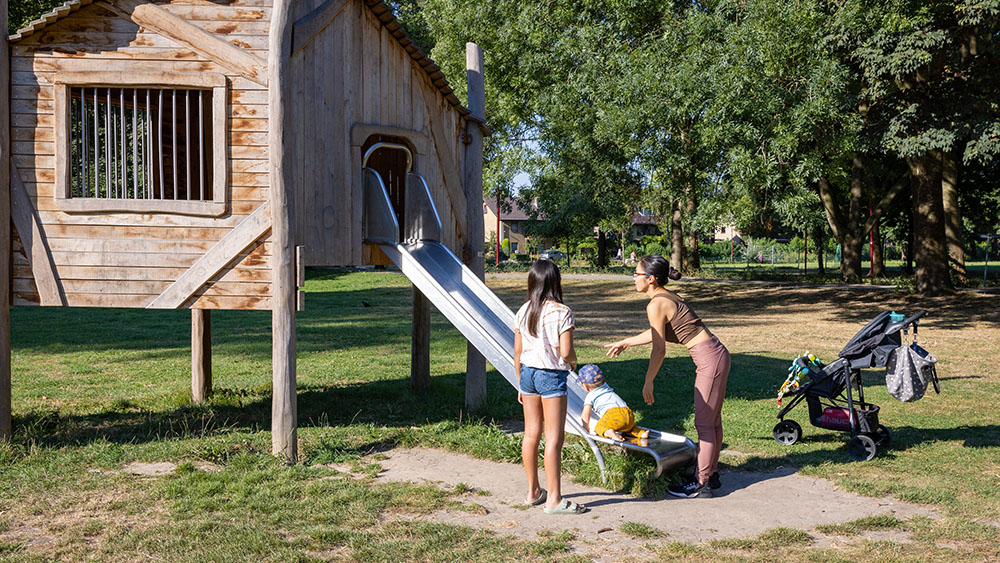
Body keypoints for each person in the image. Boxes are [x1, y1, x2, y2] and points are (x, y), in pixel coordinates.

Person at [604, 254, 731, 498]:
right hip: (715, 354)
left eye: (637, 274)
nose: (634, 279)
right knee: (712, 422)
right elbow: (657, 331)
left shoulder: (656, 303)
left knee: (705, 424)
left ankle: (701, 484)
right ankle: (710, 474)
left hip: (709, 360)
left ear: (650, 279)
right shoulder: (664, 297)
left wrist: (649, 380)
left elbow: (659, 348)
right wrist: (627, 342)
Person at [514, 260, 587, 514]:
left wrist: (520, 384)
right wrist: (574, 362)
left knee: (531, 434)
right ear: (555, 281)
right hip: (551, 376)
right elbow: (566, 352)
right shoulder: (562, 311)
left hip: (527, 375)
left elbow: (517, 352)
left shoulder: (523, 310)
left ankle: (533, 492)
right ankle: (554, 500)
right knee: (554, 438)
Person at [577, 364, 652, 442]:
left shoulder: (590, 396)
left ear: (585, 386)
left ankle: (610, 433)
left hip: (613, 414)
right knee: (628, 427)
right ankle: (641, 433)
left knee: (599, 427)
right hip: (628, 412)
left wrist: (585, 430)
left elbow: (586, 414)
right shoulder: (606, 387)